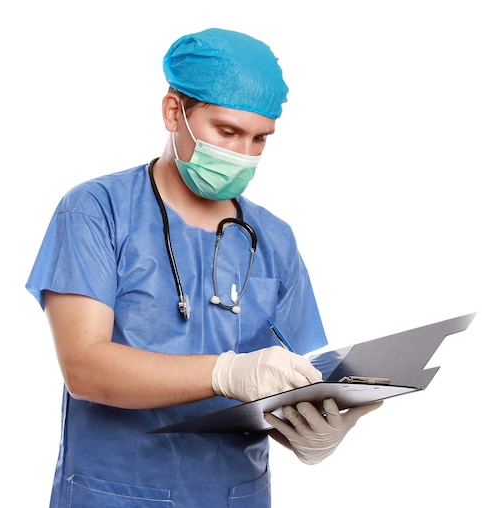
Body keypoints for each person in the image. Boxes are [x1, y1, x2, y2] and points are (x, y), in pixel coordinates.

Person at [26, 27, 382, 508]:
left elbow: (287, 385)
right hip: (115, 494)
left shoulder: (273, 240)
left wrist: (315, 430)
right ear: (175, 112)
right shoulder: (96, 210)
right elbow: (85, 368)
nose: (242, 154)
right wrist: (227, 373)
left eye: (260, 139)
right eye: (227, 131)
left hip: (235, 495)